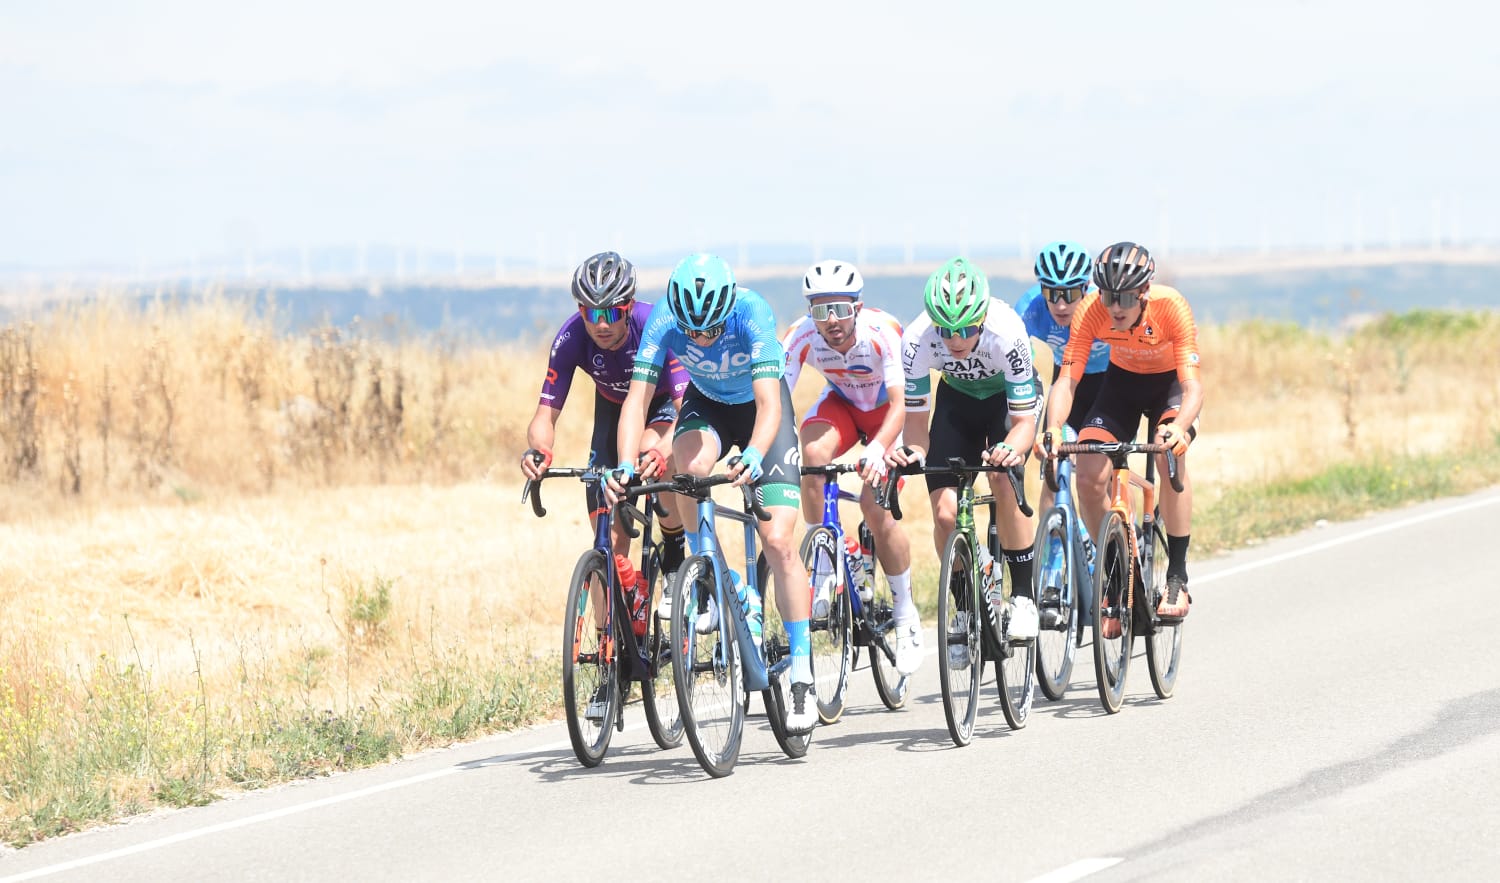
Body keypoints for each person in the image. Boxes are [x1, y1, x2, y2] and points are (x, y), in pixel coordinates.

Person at [607, 253, 818, 734]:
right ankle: (709, 577)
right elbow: (637, 400)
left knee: (780, 541)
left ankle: (803, 670)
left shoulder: (752, 312)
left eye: (711, 330)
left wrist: (755, 454)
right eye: (692, 332)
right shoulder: (664, 317)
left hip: (762, 411)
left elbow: (769, 405)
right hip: (708, 403)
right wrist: (623, 464)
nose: (700, 338)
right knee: (690, 467)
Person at [521, 251, 692, 720]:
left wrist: (660, 453)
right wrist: (540, 452)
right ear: (580, 312)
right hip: (612, 411)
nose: (601, 323)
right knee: (606, 540)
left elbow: (682, 409)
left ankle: (674, 547)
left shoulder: (654, 324)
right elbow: (545, 412)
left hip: (662, 405)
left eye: (612, 312)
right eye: (591, 312)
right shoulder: (572, 336)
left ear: (628, 305)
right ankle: (610, 662)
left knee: (651, 463)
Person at [1036, 241, 1202, 636]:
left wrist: (1179, 427)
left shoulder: (1171, 306)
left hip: (1169, 389)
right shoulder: (1092, 310)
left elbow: (1193, 388)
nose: (1116, 307)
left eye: (1125, 297)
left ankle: (1177, 575)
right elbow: (1067, 380)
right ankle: (1114, 575)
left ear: (1144, 292)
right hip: (1122, 386)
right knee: (1088, 472)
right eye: (1109, 296)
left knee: (1168, 457)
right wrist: (1054, 428)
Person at [887, 257, 1041, 660]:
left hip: (1005, 403)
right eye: (946, 330)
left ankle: (1023, 596)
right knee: (944, 515)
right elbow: (916, 420)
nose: (955, 339)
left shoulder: (1007, 332)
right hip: (957, 401)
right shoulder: (918, 339)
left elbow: (1025, 421)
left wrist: (1013, 448)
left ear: (982, 317)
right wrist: (916, 451)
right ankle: (963, 608)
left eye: (966, 329)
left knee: (1002, 479)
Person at [782, 259, 922, 676]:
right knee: (812, 458)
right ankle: (825, 556)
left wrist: (880, 449)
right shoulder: (802, 335)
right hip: (843, 405)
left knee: (875, 508)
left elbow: (901, 406)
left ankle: (904, 612)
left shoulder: (884, 333)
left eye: (840, 309)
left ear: (857, 307)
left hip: (885, 416)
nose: (831, 321)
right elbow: (778, 400)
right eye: (820, 311)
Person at [1016, 241, 1110, 616]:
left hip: (1112, 387)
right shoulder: (1030, 308)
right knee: (1053, 469)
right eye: (1051, 292)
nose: (1060, 303)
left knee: (1105, 474)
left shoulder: (1101, 310)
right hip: (1067, 385)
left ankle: (1120, 550)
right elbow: (1015, 364)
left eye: (1070, 293)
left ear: (1085, 290)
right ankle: (1053, 574)